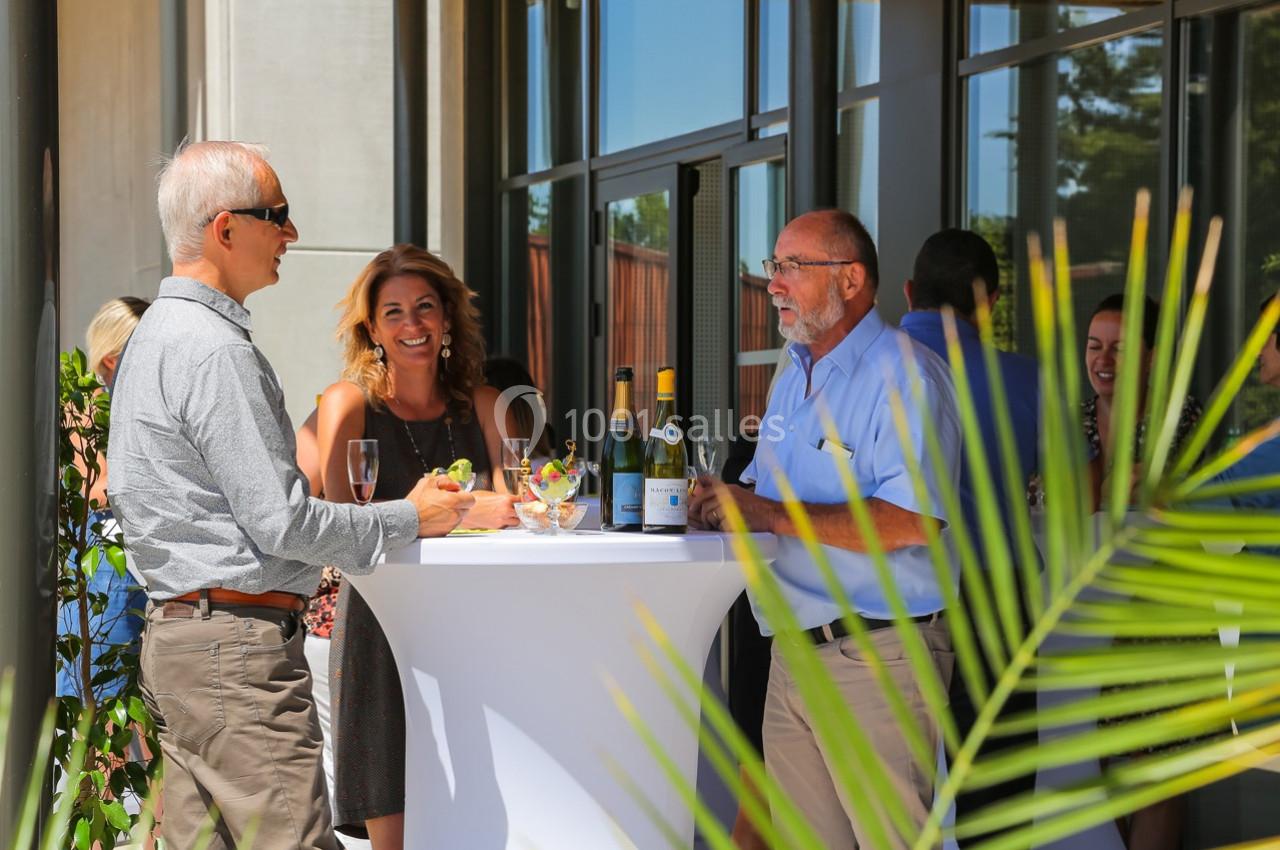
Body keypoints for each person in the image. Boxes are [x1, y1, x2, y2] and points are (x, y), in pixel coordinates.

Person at [107, 140, 474, 850]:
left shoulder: (157, 335)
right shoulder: (215, 350)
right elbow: (282, 522)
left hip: (187, 643)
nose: (291, 233)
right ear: (225, 229)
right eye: (276, 214)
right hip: (233, 652)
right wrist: (412, 516)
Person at [690, 209, 962, 849]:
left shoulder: (907, 376)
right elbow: (763, 489)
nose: (773, 284)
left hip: (877, 655)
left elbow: (912, 521)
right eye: (773, 266)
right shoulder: (793, 374)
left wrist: (768, 514)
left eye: (791, 267)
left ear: (850, 280)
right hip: (793, 654)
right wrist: (717, 503)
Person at [320, 244, 519, 850]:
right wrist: (456, 510)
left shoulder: (484, 405)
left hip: (474, 629)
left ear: (448, 319)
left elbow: (516, 508)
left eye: (426, 308)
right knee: (396, 835)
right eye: (395, 312)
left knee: (482, 817)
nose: (413, 326)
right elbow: (339, 528)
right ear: (372, 328)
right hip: (381, 632)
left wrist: (431, 514)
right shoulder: (346, 404)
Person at [898, 228, 1040, 845]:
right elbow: (1086, 491)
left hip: (895, 595)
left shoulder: (872, 367)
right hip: (999, 599)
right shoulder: (1028, 380)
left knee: (885, 789)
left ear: (908, 291)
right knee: (997, 791)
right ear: (994, 301)